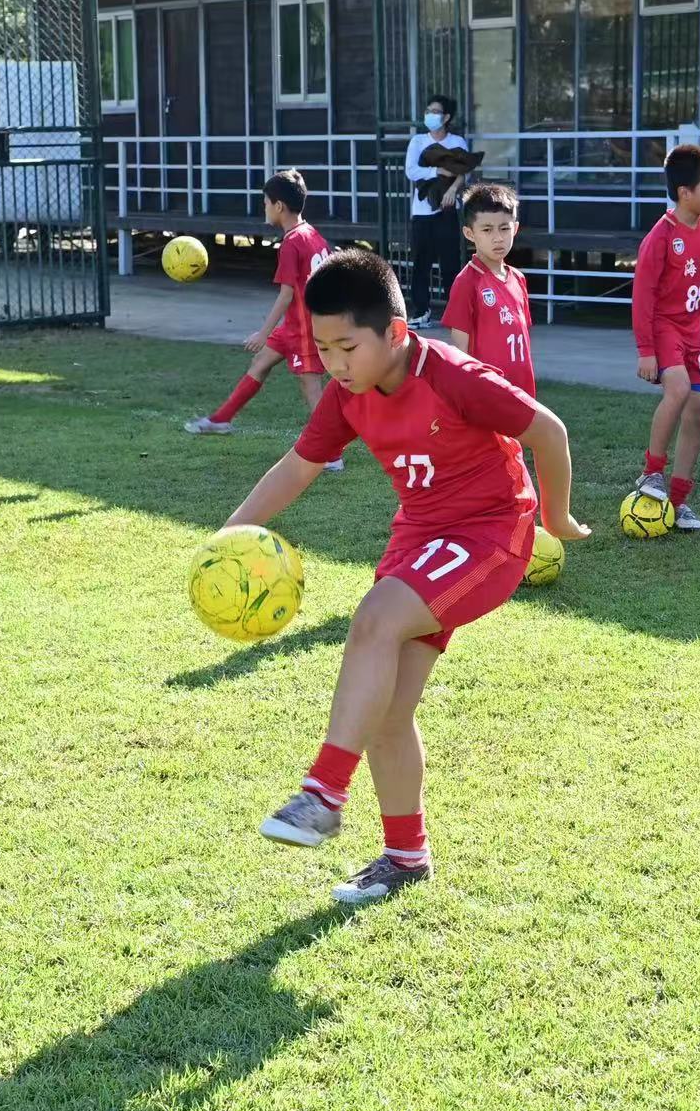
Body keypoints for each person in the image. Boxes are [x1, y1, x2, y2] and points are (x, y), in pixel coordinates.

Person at [227, 249, 588, 903]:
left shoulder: (452, 374)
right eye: (323, 349)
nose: (334, 364)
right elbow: (296, 469)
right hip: (419, 538)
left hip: (492, 533)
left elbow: (550, 432)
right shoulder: (348, 395)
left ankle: (323, 792)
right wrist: (232, 533)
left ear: (394, 333)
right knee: (389, 711)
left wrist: (557, 519)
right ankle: (405, 856)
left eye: (346, 347)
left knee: (373, 621)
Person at [184, 171, 342, 471]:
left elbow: (286, 294)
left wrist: (262, 332)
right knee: (260, 365)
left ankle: (332, 454)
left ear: (279, 206)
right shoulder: (311, 233)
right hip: (295, 325)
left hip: (305, 327)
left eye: (265, 202)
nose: (264, 208)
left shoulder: (292, 243)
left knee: (311, 387)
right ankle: (221, 419)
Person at [631, 144, 700, 531]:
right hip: (665, 329)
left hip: (694, 335)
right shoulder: (661, 236)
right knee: (679, 390)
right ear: (685, 192)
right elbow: (642, 296)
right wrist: (646, 352)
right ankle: (652, 472)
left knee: (699, 412)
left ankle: (679, 502)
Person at [442, 182, 534, 396]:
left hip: (522, 391)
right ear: (469, 233)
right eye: (487, 229)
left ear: (516, 228)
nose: (498, 237)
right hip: (486, 393)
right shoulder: (467, 281)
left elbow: (522, 337)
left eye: (504, 228)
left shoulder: (518, 279)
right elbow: (460, 350)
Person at [404, 94, 469, 329]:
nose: (430, 115)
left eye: (435, 111)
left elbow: (462, 172)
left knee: (450, 262)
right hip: (422, 211)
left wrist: (452, 190)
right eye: (428, 110)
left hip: (448, 210)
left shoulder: (457, 142)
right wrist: (437, 171)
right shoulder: (418, 141)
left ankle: (456, 314)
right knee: (421, 262)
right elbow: (411, 171)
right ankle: (421, 311)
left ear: (447, 117)